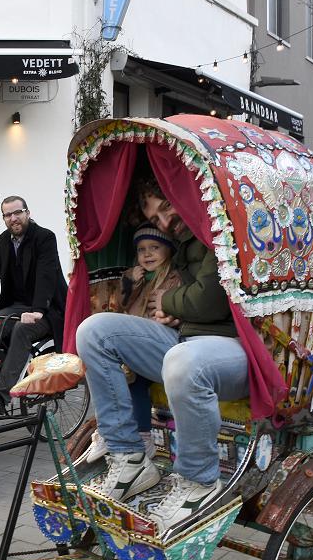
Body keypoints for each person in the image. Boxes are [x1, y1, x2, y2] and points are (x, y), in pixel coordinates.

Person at [75, 177, 246, 538]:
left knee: (183, 361)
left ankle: (199, 480)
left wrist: (171, 304)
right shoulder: (185, 243)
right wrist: (177, 308)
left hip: (234, 349)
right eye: (156, 215)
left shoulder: (217, 230)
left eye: (167, 208)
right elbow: (191, 298)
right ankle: (129, 455)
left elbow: (209, 299)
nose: (165, 221)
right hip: (187, 338)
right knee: (93, 331)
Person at [0, 196, 68, 410]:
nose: (13, 218)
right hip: (18, 307)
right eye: (8, 215)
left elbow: (46, 275)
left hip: (48, 309)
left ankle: (3, 394)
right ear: (4, 218)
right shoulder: (4, 239)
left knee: (21, 330)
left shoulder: (44, 237)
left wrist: (38, 310)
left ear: (27, 212)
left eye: (18, 212)